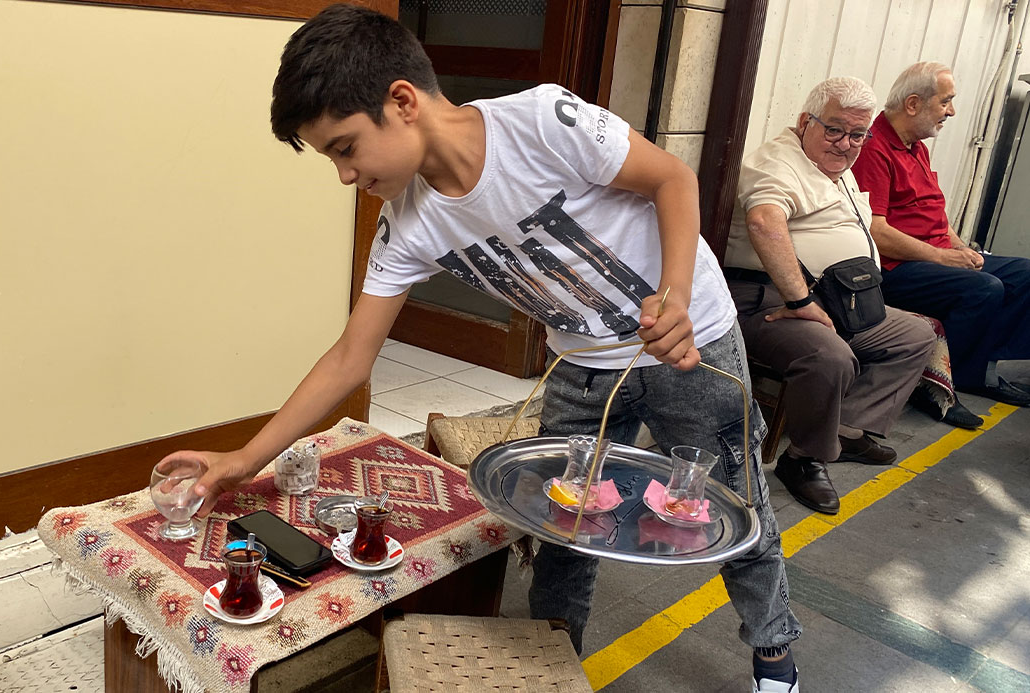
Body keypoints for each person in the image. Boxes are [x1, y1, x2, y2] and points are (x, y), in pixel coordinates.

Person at [163, 5, 802, 691]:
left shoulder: (543, 122)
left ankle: (774, 656)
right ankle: (555, 668)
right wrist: (244, 459)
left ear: (402, 102)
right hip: (582, 369)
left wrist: (674, 294)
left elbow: (671, 178)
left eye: (345, 148)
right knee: (564, 528)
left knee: (734, 508)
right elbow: (350, 357)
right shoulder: (406, 225)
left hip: (692, 346)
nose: (344, 175)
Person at [723, 77, 937, 516]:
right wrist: (800, 301)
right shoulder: (777, 164)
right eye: (835, 129)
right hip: (767, 297)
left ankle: (844, 430)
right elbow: (764, 221)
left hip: (837, 296)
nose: (846, 144)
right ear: (806, 122)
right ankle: (804, 459)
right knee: (829, 358)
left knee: (916, 336)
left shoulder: (834, 164)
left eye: (858, 135)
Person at [852, 62, 1030, 407]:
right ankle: (946, 380)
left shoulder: (915, 146)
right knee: (985, 289)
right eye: (945, 101)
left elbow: (933, 212)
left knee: (1024, 274)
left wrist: (963, 249)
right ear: (913, 104)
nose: (951, 111)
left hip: (935, 255)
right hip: (897, 268)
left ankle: (978, 363)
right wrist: (943, 257)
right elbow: (876, 230)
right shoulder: (874, 149)